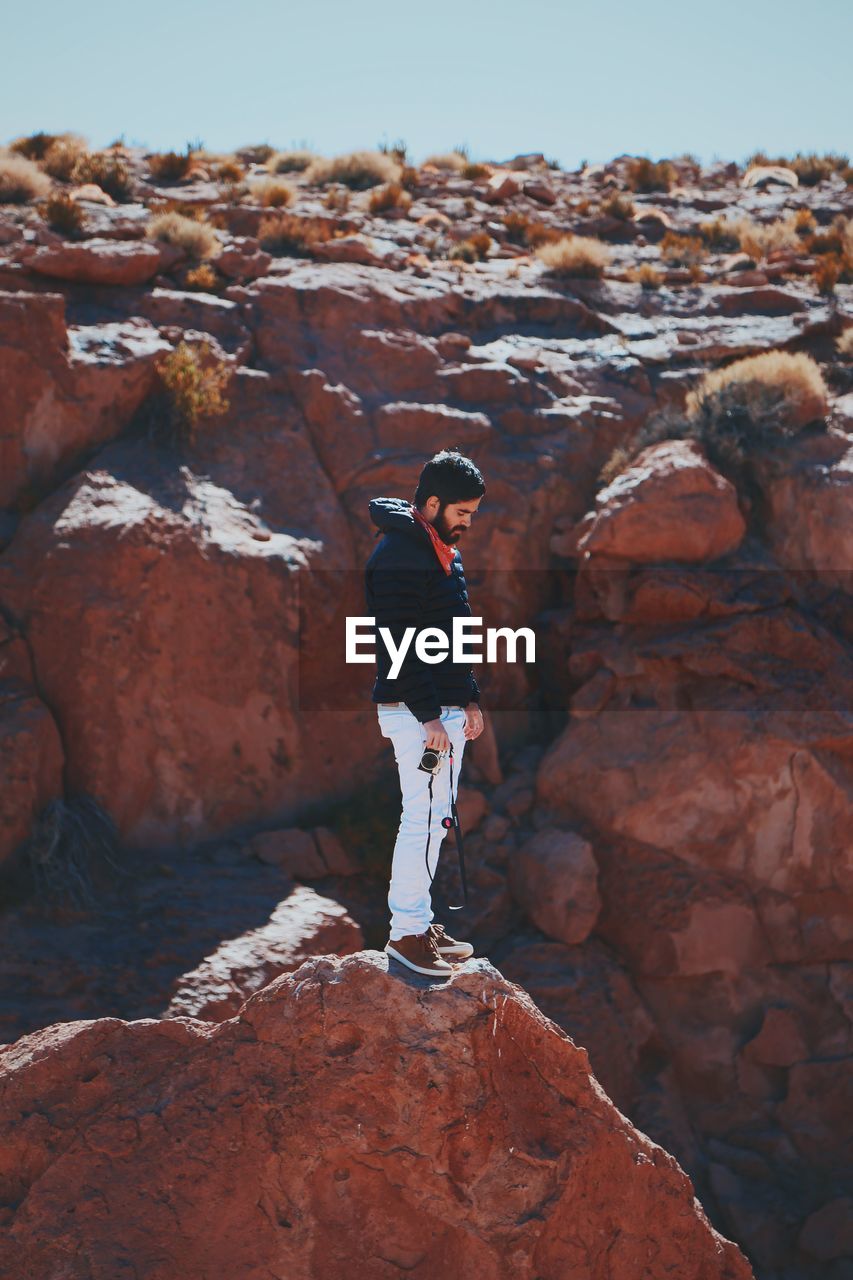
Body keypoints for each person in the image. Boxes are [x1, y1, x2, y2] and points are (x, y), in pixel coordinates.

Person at [365, 450, 486, 978]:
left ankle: (421, 923)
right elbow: (398, 643)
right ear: (432, 503)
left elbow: (450, 639)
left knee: (436, 820)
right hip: (419, 714)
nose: (466, 524)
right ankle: (406, 935)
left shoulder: (442, 554)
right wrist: (431, 715)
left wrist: (470, 698)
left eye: (472, 515)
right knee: (421, 819)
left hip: (443, 711)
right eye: (461, 512)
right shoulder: (398, 554)